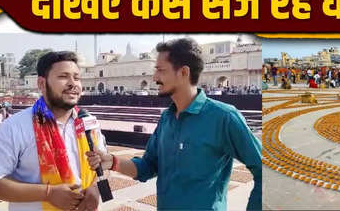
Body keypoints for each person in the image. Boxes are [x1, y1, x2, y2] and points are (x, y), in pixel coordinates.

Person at [86, 38, 262, 210]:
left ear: (184, 72)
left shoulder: (223, 117)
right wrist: (112, 162)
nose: (154, 77)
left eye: (160, 70)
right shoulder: (167, 119)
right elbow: (148, 166)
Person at [0, 51, 106, 211]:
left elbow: (104, 165)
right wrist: (48, 193)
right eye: (63, 76)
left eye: (77, 77)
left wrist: (95, 188)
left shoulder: (89, 122)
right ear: (42, 84)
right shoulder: (15, 127)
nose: (73, 84)